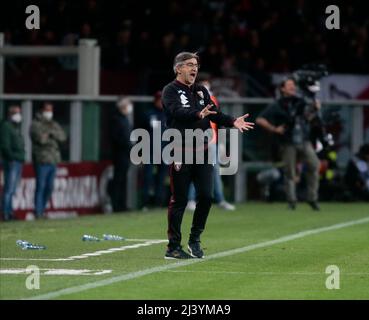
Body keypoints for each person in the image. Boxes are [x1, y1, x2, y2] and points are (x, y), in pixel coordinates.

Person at [162, 52, 254, 259]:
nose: (194, 68)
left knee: (206, 196)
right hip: (180, 151)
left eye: (196, 65)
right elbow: (177, 112)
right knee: (180, 200)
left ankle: (195, 240)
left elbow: (215, 114)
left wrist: (232, 121)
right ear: (178, 68)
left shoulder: (201, 91)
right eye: (189, 65)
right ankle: (173, 247)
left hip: (202, 151)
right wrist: (197, 114)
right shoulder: (170, 91)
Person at [256, 78, 320, 211]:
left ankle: (312, 198)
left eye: (293, 85)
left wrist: (315, 110)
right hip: (288, 142)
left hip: (304, 139)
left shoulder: (300, 102)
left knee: (314, 165)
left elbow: (307, 118)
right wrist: (274, 129)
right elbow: (260, 119)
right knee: (289, 172)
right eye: (289, 85)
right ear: (282, 89)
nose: (293, 87)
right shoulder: (277, 105)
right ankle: (292, 201)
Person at [186, 73, 235, 211]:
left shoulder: (212, 98)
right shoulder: (192, 98)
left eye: (208, 83)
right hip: (198, 140)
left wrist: (219, 142)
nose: (207, 86)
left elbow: (217, 120)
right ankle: (191, 199)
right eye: (204, 84)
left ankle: (220, 199)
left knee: (214, 170)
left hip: (212, 140)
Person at [30, 102, 66, 219]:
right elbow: (41, 139)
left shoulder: (53, 124)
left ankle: (42, 210)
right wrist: (51, 135)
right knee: (40, 186)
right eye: (47, 110)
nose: (49, 113)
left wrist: (50, 133)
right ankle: (38, 212)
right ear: (41, 110)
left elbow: (63, 137)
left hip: (53, 160)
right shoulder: (35, 124)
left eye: (51, 110)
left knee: (49, 187)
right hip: (42, 160)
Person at [141, 91, 168, 209]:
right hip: (150, 151)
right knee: (148, 177)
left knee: (161, 178)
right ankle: (145, 203)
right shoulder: (148, 114)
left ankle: (158, 202)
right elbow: (141, 134)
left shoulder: (168, 115)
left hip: (164, 151)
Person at [0, 105, 25, 221]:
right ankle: (5, 213)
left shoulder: (15, 127)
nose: (18, 115)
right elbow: (5, 146)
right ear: (10, 114)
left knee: (12, 189)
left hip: (17, 160)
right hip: (11, 161)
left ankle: (9, 212)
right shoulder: (6, 126)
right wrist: (12, 157)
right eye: (16, 113)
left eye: (19, 112)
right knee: (8, 189)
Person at [110, 97, 133, 212]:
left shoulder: (125, 119)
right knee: (118, 180)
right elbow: (118, 139)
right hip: (119, 155)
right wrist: (128, 146)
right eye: (127, 104)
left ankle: (122, 205)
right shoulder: (116, 119)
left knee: (123, 180)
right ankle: (116, 205)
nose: (129, 106)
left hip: (125, 154)